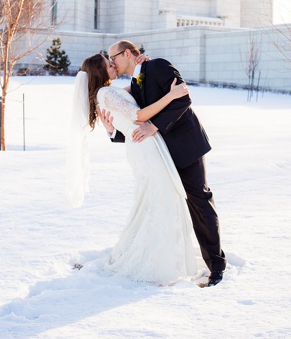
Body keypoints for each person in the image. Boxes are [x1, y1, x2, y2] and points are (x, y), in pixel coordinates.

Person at [103, 40, 226, 287]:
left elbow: (183, 99)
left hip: (186, 147)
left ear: (127, 53)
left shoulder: (158, 66)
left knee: (199, 201)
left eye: (112, 56)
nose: (112, 62)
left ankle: (216, 267)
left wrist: (154, 125)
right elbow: (134, 122)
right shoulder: (133, 85)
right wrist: (112, 132)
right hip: (160, 156)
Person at [67, 53, 197, 284]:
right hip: (144, 147)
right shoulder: (105, 93)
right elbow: (138, 116)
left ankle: (154, 253)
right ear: (100, 71)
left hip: (145, 146)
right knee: (161, 199)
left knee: (155, 200)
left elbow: (136, 90)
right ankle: (150, 258)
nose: (113, 65)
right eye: (109, 65)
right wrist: (172, 95)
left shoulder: (109, 92)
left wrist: (140, 68)